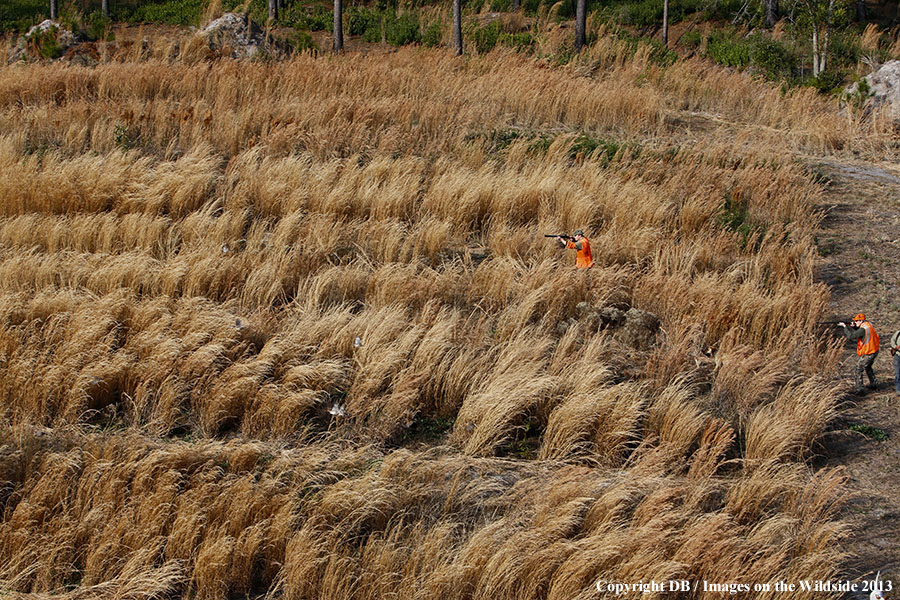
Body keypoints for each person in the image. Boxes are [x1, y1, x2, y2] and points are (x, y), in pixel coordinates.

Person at [838, 313, 879, 393]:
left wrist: (845, 327)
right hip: (874, 350)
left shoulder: (863, 329)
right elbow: (861, 333)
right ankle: (874, 384)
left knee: (858, 369)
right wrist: (854, 327)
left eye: (856, 321)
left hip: (869, 352)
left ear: (861, 321)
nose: (855, 322)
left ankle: (860, 389)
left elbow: (851, 336)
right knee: (868, 367)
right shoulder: (868, 325)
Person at [890, 329, 900, 397]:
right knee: (898, 374)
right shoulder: (898, 333)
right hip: (897, 355)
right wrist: (896, 347)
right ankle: (898, 390)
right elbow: (892, 341)